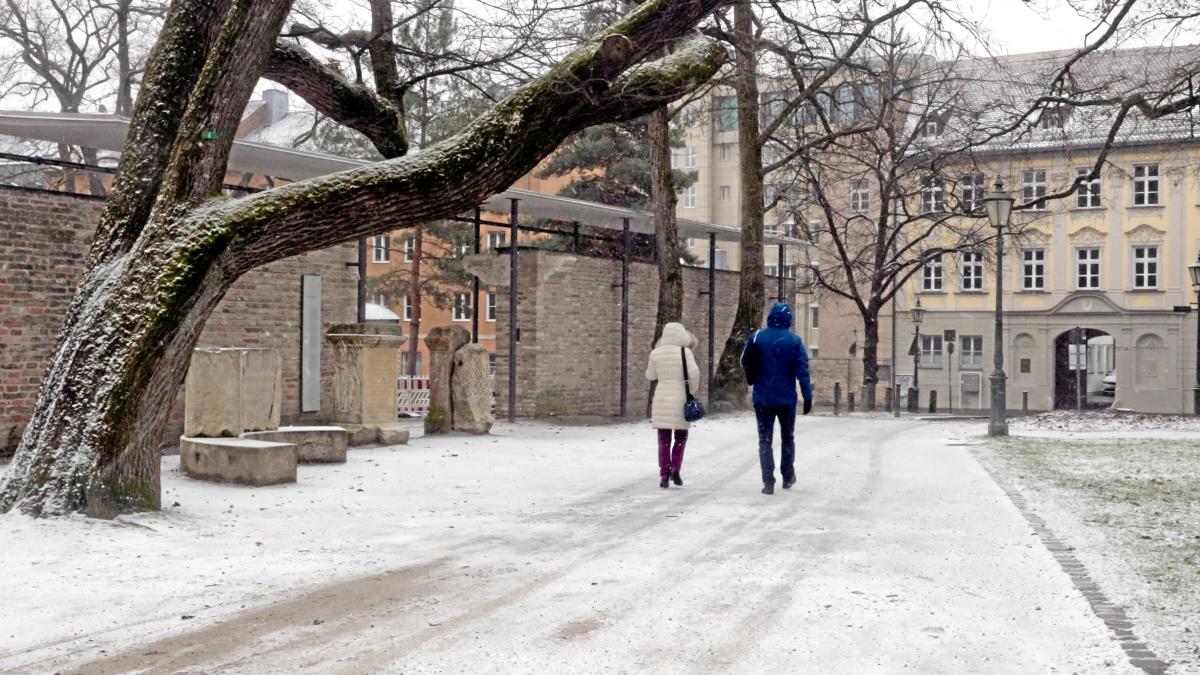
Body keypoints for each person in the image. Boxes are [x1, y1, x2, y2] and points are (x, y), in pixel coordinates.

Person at [740, 303, 813, 495]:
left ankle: (768, 481)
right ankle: (787, 476)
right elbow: (802, 371)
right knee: (787, 438)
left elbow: (744, 361)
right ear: (788, 320)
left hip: (762, 398)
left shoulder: (757, 337)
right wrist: (807, 396)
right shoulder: (794, 341)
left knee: (765, 440)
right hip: (786, 400)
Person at [645, 322, 702, 489]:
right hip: (680, 398)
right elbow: (694, 373)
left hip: (662, 398)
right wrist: (691, 389)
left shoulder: (655, 353)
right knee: (681, 436)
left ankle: (664, 474)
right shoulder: (686, 353)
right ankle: (676, 468)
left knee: (663, 440)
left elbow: (650, 375)